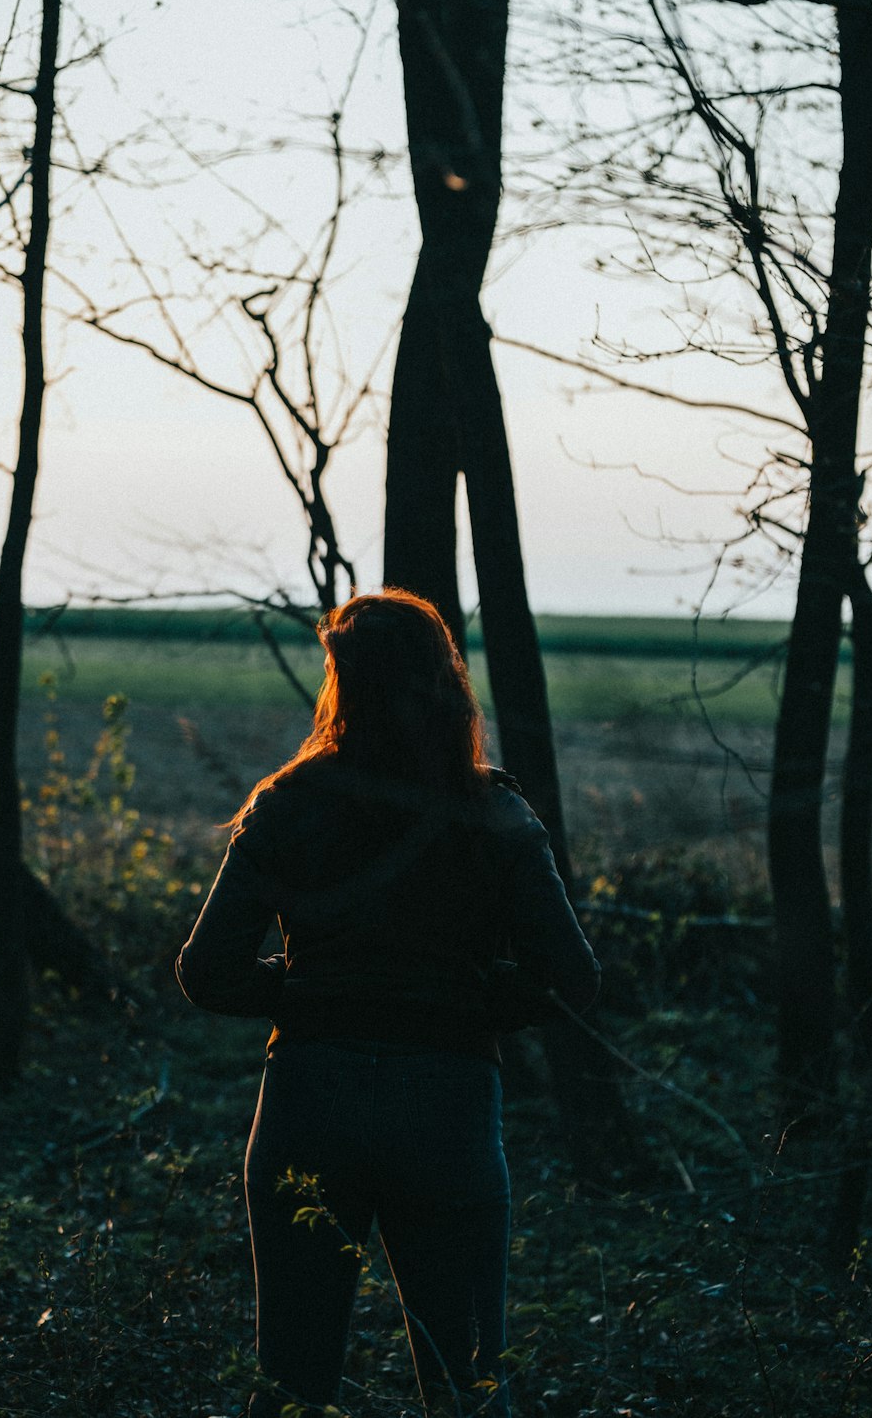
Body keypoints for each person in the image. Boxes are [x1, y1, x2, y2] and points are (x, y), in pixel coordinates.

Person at [175, 589, 600, 1418]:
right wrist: (475, 1003)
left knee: (291, 1386)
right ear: (444, 677)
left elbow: (206, 969)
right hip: (447, 1106)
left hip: (307, 1099)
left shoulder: (285, 802)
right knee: (467, 1380)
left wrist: (304, 994)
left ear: (341, 678)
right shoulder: (499, 813)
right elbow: (572, 978)